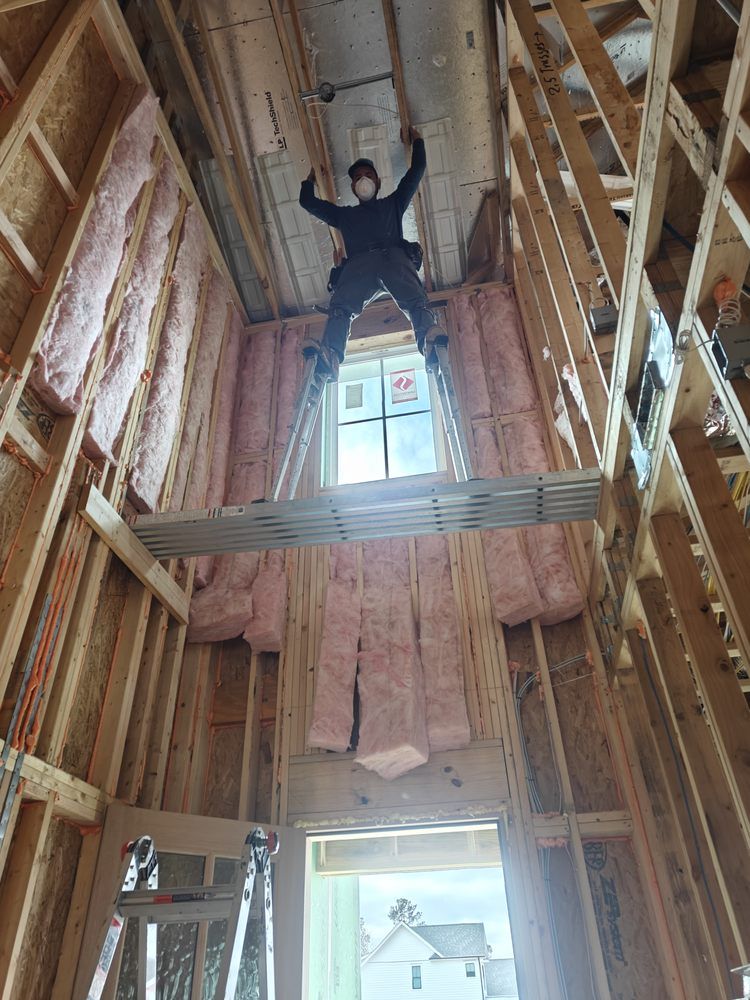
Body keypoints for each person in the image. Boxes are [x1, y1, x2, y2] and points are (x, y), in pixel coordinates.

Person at [299, 126, 442, 379]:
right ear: (354, 187)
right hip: (359, 266)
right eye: (357, 178)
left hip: (393, 258)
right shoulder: (344, 215)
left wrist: (417, 141)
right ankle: (331, 354)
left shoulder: (393, 203)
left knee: (415, 301)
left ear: (377, 181)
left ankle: (429, 342)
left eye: (367, 175)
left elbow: (416, 171)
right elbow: (307, 202)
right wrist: (310, 179)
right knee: (341, 308)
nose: (362, 179)